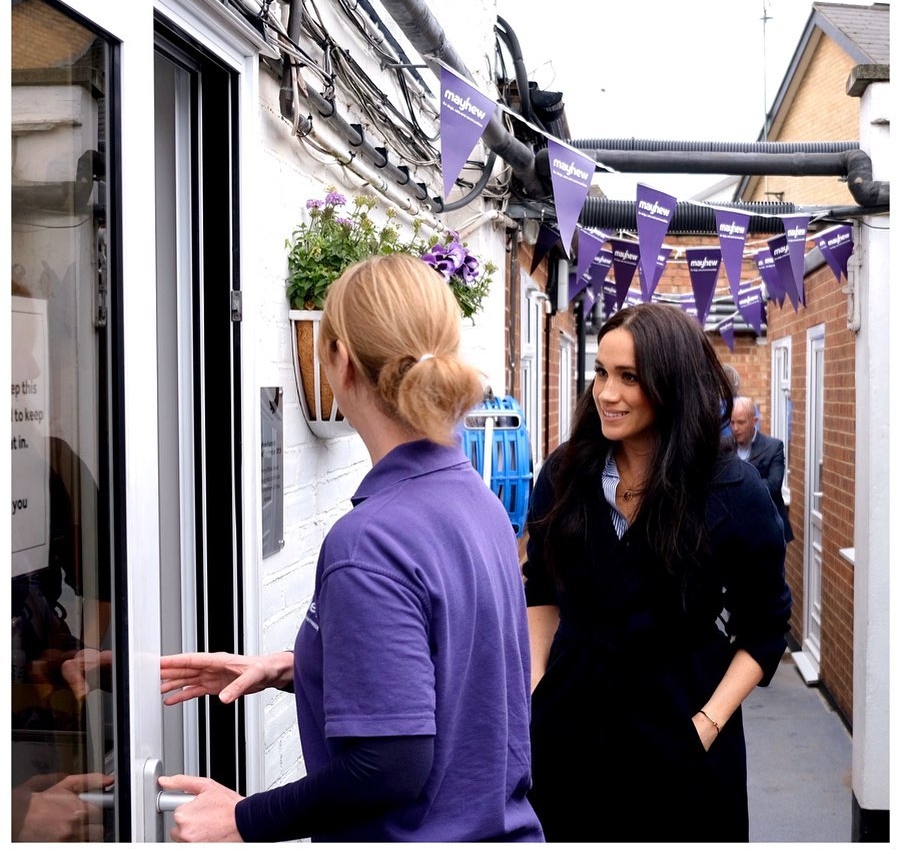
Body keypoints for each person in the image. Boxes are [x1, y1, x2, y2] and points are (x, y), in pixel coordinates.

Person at [158, 253, 544, 843]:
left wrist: (242, 818)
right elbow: (448, 668)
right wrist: (299, 668)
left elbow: (389, 767)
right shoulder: (476, 501)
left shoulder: (371, 543)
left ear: (337, 360)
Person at [523, 302, 792, 842]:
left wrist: (705, 727)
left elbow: (764, 630)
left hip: (683, 736)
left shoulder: (732, 491)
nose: (606, 393)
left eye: (628, 378)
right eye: (601, 372)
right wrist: (538, 690)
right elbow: (542, 590)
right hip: (572, 732)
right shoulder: (565, 473)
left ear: (671, 385)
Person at [730, 396, 795, 542]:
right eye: (732, 422)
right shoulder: (724, 448)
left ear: (754, 422)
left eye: (741, 422)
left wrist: (738, 486)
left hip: (768, 530)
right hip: (735, 531)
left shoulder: (773, 447)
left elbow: (773, 485)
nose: (735, 428)